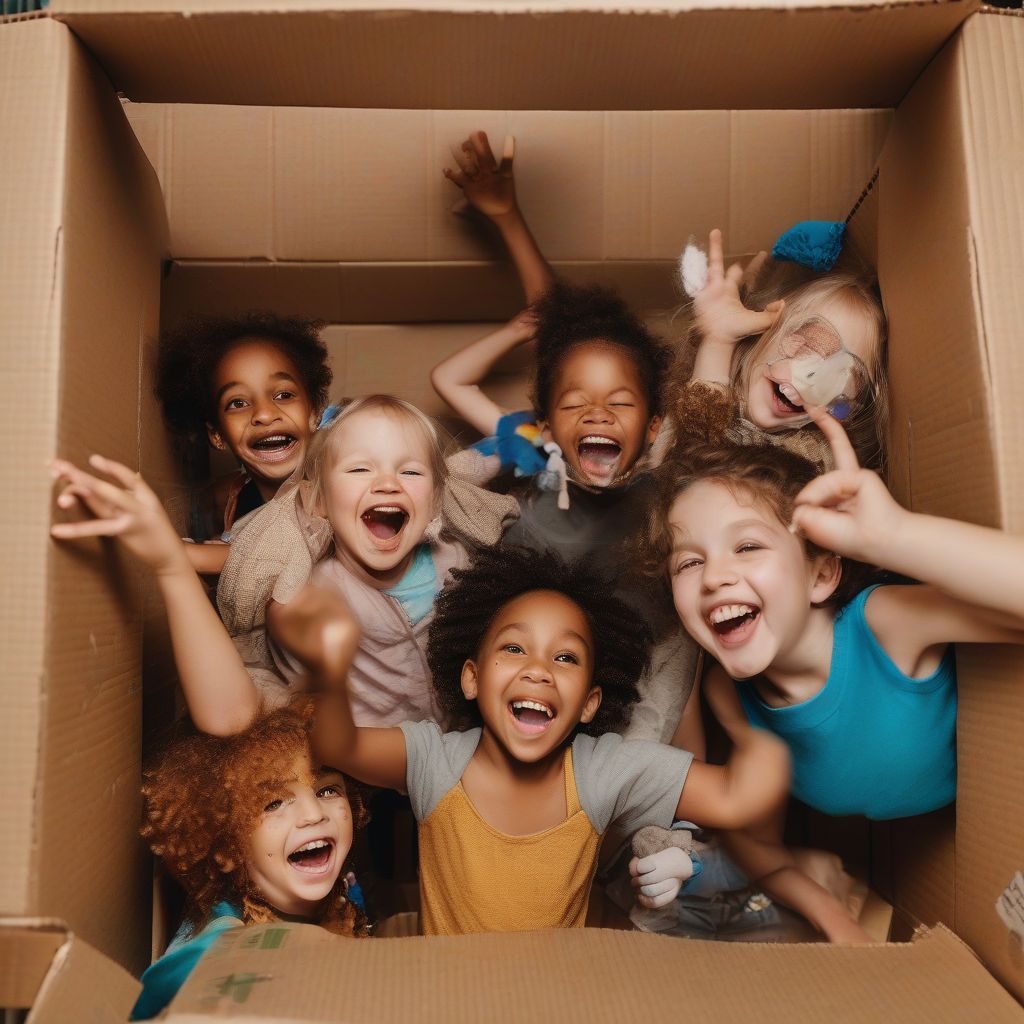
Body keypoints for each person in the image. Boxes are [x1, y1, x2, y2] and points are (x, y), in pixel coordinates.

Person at [646, 406, 1024, 940]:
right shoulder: (724, 690)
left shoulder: (883, 624)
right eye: (688, 562)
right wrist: (833, 917)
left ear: (821, 574)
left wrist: (891, 537)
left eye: (747, 545)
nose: (715, 577)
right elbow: (753, 839)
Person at [303, 544, 790, 936]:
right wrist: (328, 666)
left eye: (566, 658)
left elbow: (736, 797)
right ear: (471, 679)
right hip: (449, 1004)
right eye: (514, 648)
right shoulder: (434, 760)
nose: (537, 670)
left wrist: (745, 688)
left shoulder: (601, 772)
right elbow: (336, 746)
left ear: (589, 704)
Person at [130, 701, 367, 1020]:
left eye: (327, 791)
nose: (313, 815)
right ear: (229, 838)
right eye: (273, 804)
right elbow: (152, 1006)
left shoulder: (346, 891)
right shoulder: (220, 944)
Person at [670, 228, 888, 472]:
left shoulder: (815, 457)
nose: (809, 378)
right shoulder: (699, 402)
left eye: (840, 378)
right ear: (761, 335)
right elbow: (695, 448)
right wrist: (718, 341)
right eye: (808, 344)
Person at [156, 312, 332, 576]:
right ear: (216, 434)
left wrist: (185, 554)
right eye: (237, 403)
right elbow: (191, 505)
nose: (263, 414)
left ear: (314, 413)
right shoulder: (233, 495)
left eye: (283, 395)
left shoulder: (334, 489)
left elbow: (284, 555)